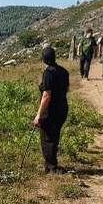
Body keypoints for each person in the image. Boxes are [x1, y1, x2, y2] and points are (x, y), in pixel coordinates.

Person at [33, 46, 70, 174]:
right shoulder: (64, 71)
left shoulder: (48, 73)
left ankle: (51, 166)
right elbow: (66, 89)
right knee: (54, 136)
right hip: (62, 107)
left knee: (47, 138)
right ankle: (50, 164)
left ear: (44, 59)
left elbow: (46, 95)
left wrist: (39, 114)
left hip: (51, 110)